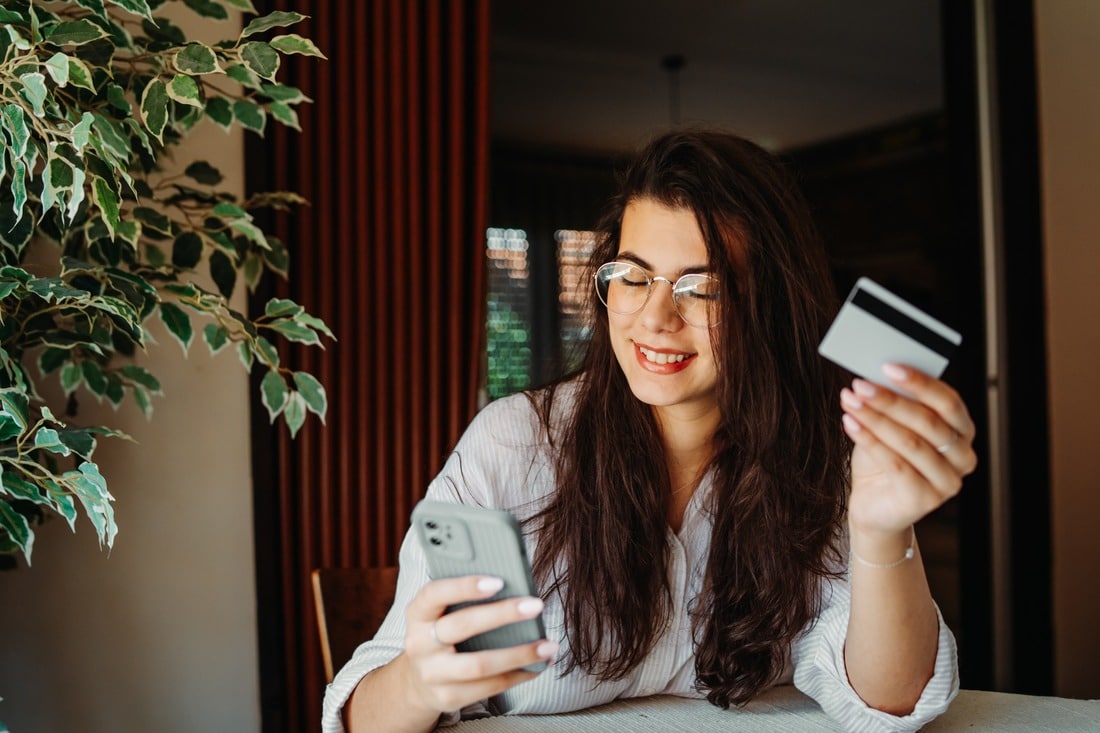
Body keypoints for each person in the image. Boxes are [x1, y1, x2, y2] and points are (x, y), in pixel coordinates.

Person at [322, 129, 976, 733]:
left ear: (769, 305)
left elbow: (890, 701)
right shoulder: (516, 445)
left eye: (704, 288)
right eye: (632, 277)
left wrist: (882, 529)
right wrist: (419, 680)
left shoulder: (818, 455)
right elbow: (360, 713)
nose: (654, 317)